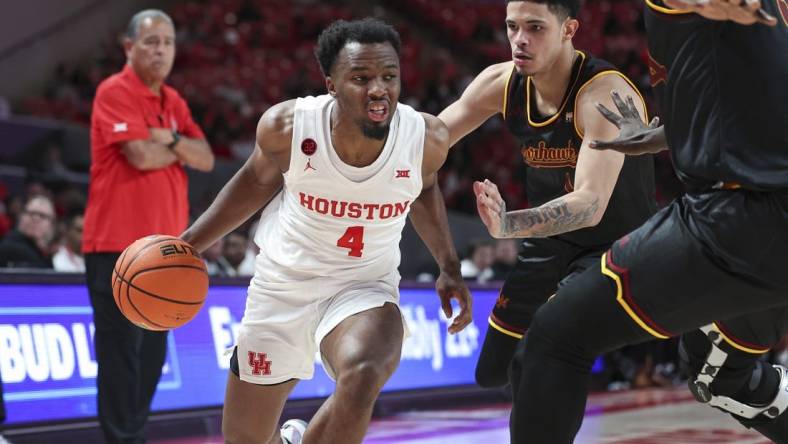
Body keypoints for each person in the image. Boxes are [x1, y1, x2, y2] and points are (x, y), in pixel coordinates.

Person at [500, 0, 788, 442]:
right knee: (723, 378)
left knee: (555, 337)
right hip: (758, 215)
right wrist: (667, 134)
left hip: (742, 219)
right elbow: (752, 96)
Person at [180, 18, 472, 444]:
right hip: (284, 285)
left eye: (389, 77)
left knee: (364, 371)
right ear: (331, 85)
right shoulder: (289, 128)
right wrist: (189, 246)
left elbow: (424, 189)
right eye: (361, 78)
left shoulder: (425, 137)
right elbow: (254, 184)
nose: (379, 89)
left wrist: (449, 265)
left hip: (363, 285)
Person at [437, 0, 657, 388]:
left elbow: (589, 204)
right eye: (512, 27)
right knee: (490, 374)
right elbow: (431, 139)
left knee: (544, 354)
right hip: (547, 245)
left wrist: (508, 225)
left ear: (569, 31)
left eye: (535, 28)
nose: (519, 40)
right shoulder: (502, 82)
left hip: (613, 247)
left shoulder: (603, 94)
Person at [82, 9, 214, 443]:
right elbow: (139, 156)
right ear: (128, 47)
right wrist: (176, 147)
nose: (160, 49)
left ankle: (132, 434)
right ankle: (123, 439)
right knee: (122, 357)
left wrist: (170, 140)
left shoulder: (172, 101)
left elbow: (207, 158)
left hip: (164, 252)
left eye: (168, 42)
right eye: (151, 41)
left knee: (153, 357)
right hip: (117, 248)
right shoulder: (114, 90)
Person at [0, 195, 56, 269]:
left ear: (52, 224)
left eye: (42, 216)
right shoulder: (10, 247)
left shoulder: (50, 253)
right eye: (31, 213)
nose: (35, 218)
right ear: (21, 217)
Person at [52, 207, 85, 273]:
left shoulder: (98, 260)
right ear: (67, 231)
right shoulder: (58, 259)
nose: (85, 235)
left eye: (88, 231)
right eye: (79, 230)